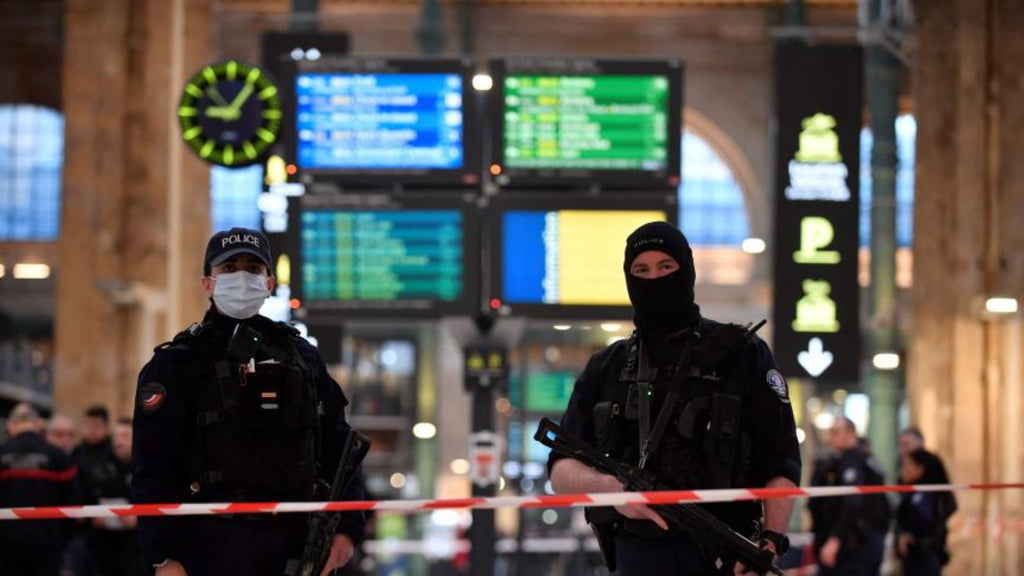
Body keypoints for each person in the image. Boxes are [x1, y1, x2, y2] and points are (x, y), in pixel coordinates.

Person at [547, 222, 801, 575]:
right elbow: (560, 470)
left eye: (666, 267)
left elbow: (781, 461)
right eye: (641, 270)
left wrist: (770, 541)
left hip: (730, 555)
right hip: (637, 556)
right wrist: (611, 489)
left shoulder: (743, 355)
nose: (654, 279)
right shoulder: (607, 367)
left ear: (688, 271)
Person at [131, 227, 365, 576]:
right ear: (207, 283)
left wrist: (348, 527)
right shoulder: (177, 362)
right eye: (229, 268)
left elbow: (340, 445)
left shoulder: (302, 357)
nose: (241, 277)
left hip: (296, 543)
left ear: (269, 283)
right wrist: (163, 556)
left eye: (253, 268)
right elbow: (152, 466)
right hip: (208, 545)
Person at [0, 403, 77, 576]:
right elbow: (74, 503)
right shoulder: (57, 456)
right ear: (37, 425)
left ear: (11, 425)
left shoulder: (2, 454)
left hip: (6, 544)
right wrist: (62, 537)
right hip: (48, 544)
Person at [808, 418, 884, 576]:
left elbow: (853, 503)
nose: (831, 437)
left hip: (852, 546)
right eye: (830, 432)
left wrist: (835, 539)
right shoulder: (847, 460)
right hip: (853, 542)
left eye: (836, 432)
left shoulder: (853, 460)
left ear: (851, 434)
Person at [90, 417, 145, 576]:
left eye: (125, 436)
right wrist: (92, 515)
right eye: (115, 436)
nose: (118, 442)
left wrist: (139, 519)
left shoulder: (144, 467)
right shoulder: (100, 464)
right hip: (104, 544)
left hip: (136, 546)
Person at [896, 449, 957, 576]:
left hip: (923, 558)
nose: (902, 471)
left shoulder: (925, 495)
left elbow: (924, 521)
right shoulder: (915, 493)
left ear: (919, 469)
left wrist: (910, 536)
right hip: (917, 557)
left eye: (907, 466)